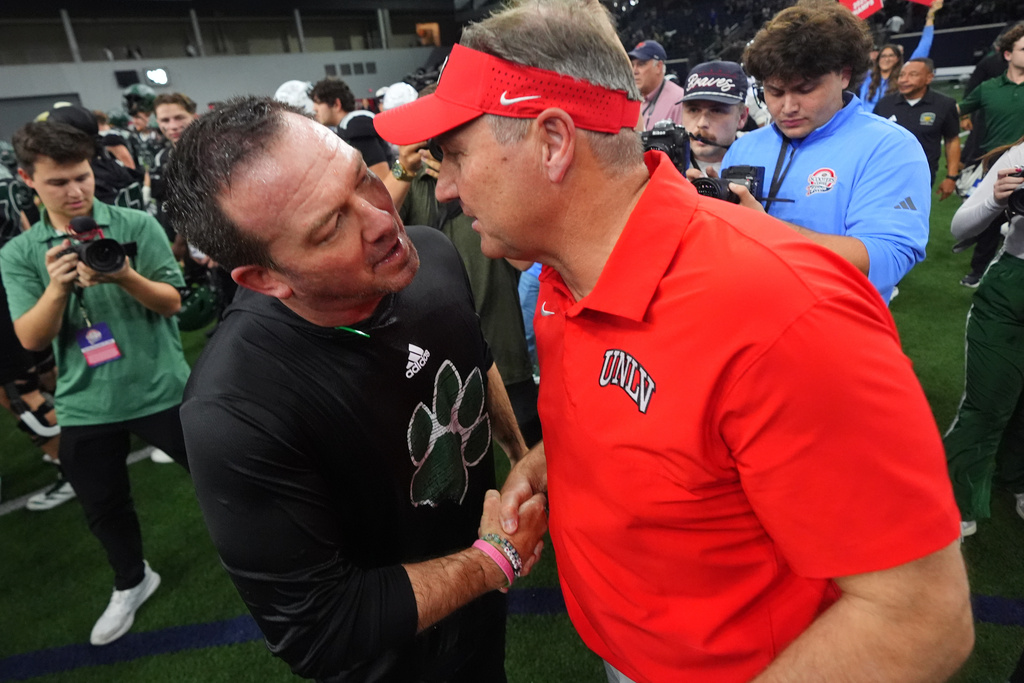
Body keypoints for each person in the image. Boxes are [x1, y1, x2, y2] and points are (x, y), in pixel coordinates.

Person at [373, 1, 973, 682]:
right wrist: (544, 461)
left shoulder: (784, 314)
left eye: (455, 155)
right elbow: (643, 414)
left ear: (551, 141)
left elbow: (919, 614)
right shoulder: (565, 274)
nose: (444, 188)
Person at [164, 96, 548, 681]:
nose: (381, 220)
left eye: (362, 178)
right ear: (264, 278)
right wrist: (495, 558)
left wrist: (522, 456)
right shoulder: (234, 406)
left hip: (481, 612)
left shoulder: (432, 254)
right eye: (330, 226)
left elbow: (474, 357)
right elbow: (321, 628)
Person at [1, 120, 191, 646]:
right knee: (103, 505)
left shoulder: (134, 223)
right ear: (27, 179)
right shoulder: (20, 254)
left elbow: (173, 302)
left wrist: (124, 275)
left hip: (162, 386)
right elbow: (32, 341)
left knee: (222, 479)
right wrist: (57, 288)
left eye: (81, 176)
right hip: (85, 403)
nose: (76, 190)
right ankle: (132, 579)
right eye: (58, 182)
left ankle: (258, 556)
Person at [721, 0, 931, 305]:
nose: (788, 107)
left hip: (835, 327)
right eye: (774, 91)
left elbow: (887, 258)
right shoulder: (744, 147)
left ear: (844, 75)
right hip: (747, 316)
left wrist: (766, 229)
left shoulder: (890, 147)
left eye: (805, 89)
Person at [386, 85, 542, 447]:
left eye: (450, 144)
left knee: (528, 442)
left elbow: (524, 258)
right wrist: (403, 167)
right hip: (439, 343)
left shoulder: (495, 180)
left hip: (503, 341)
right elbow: (375, 222)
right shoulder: (418, 183)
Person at [943, 133, 1024, 537]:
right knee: (988, 401)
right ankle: (955, 497)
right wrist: (995, 199)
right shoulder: (1020, 154)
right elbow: (960, 225)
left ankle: (1017, 479)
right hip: (1013, 285)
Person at [956, 22, 1024, 287]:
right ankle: (978, 271)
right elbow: (956, 111)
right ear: (1008, 54)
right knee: (990, 218)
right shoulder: (988, 88)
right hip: (994, 164)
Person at [874, 58, 961, 195]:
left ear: (929, 78)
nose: (904, 80)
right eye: (901, 75)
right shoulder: (884, 104)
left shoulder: (944, 104)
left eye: (912, 75)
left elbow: (952, 140)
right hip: (885, 175)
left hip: (921, 178)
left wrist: (951, 177)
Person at [859, 0, 941, 110]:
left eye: (891, 56)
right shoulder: (867, 76)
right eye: (883, 56)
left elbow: (924, 46)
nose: (886, 59)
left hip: (890, 123)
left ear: (898, 59)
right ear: (878, 59)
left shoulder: (902, 78)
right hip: (864, 124)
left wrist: (930, 17)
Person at [309, 77, 393, 179]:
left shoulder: (355, 125)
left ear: (336, 104)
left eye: (318, 102)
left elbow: (381, 178)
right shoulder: (347, 126)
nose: (314, 108)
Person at [679, 60, 749, 178]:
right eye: (693, 110)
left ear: (742, 117)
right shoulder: (663, 162)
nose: (701, 123)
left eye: (716, 111)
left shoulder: (764, 157)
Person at [629, 39, 685, 131]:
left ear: (658, 67)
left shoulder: (678, 100)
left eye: (641, 64)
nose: (634, 71)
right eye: (632, 65)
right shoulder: (631, 98)